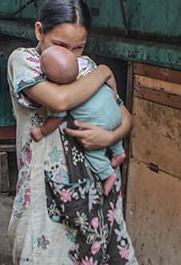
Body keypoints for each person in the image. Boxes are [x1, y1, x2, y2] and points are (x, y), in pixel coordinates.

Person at [7, 0, 143, 265]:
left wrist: (109, 138)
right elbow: (59, 100)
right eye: (60, 45)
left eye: (78, 47)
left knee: (93, 261)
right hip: (42, 189)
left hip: (91, 189)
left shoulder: (86, 67)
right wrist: (104, 71)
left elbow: (125, 117)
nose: (70, 56)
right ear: (39, 31)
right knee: (46, 263)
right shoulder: (24, 61)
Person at [29, 45, 127, 196]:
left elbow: (57, 118)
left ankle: (107, 174)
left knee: (92, 152)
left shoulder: (64, 92)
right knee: (111, 123)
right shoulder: (88, 71)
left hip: (101, 124)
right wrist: (114, 94)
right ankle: (119, 152)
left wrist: (42, 131)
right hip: (116, 113)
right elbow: (108, 78)